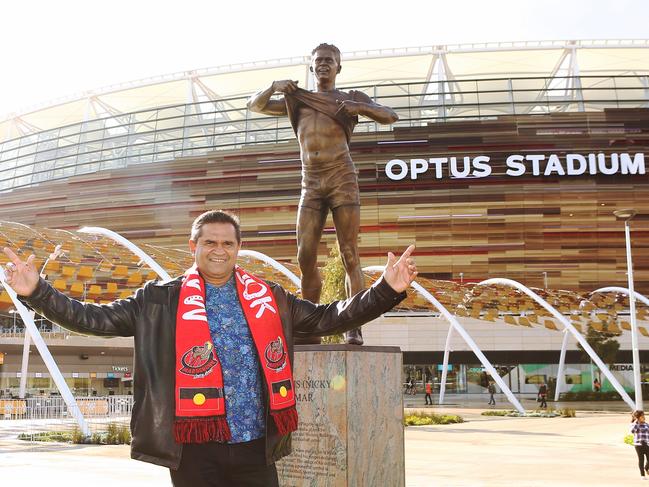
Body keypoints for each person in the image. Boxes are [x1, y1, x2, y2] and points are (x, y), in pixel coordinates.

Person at [2, 210, 418, 487]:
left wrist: (386, 290)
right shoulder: (159, 299)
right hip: (193, 448)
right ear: (194, 246)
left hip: (257, 445)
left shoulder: (269, 297)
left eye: (228, 244)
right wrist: (37, 292)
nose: (219, 251)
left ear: (238, 248)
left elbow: (332, 317)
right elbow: (93, 319)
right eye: (210, 243)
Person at [248, 43, 399, 346]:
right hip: (311, 182)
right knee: (305, 256)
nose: (323, 65)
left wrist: (362, 109)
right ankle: (310, 323)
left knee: (349, 254)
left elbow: (390, 115)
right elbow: (255, 105)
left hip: (342, 177)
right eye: (318, 61)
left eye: (329, 61)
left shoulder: (350, 98)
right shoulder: (297, 99)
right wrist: (273, 86)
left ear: (338, 67)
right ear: (312, 66)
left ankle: (353, 323)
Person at [631, 410, 649, 480]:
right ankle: (642, 475)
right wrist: (637, 423)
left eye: (644, 415)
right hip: (639, 445)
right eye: (642, 415)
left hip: (647, 444)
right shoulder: (634, 424)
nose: (644, 417)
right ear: (638, 417)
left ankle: (646, 468)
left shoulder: (646, 424)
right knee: (641, 459)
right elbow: (632, 431)